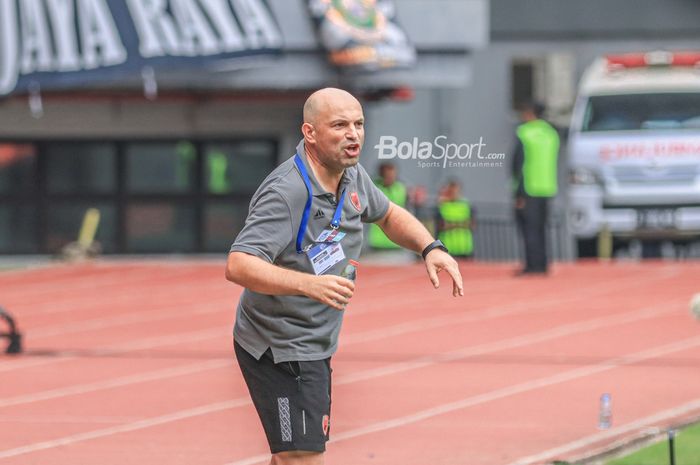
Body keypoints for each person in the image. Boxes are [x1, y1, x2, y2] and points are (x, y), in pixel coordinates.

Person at [226, 88, 463, 465]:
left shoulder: (351, 175)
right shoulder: (287, 191)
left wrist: (430, 247)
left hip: (315, 342)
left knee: (292, 455)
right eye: (339, 125)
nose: (353, 134)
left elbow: (387, 214)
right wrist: (308, 283)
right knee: (304, 456)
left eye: (359, 124)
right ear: (310, 133)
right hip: (279, 345)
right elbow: (239, 264)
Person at [511, 102, 560, 275]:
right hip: (547, 187)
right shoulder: (551, 133)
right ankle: (543, 263)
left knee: (529, 230)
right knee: (541, 229)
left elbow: (518, 163)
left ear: (530, 113)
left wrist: (518, 192)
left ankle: (532, 266)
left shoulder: (525, 132)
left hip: (528, 188)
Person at [368, 162, 407, 250]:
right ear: (381, 175)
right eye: (388, 175)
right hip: (377, 242)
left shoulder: (401, 188)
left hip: (396, 242)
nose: (391, 177)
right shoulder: (373, 189)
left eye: (393, 174)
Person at [435, 179, 474, 259]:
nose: (454, 193)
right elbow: (441, 225)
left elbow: (472, 224)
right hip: (447, 247)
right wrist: (461, 224)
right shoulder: (442, 206)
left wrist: (451, 224)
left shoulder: (466, 205)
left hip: (465, 248)